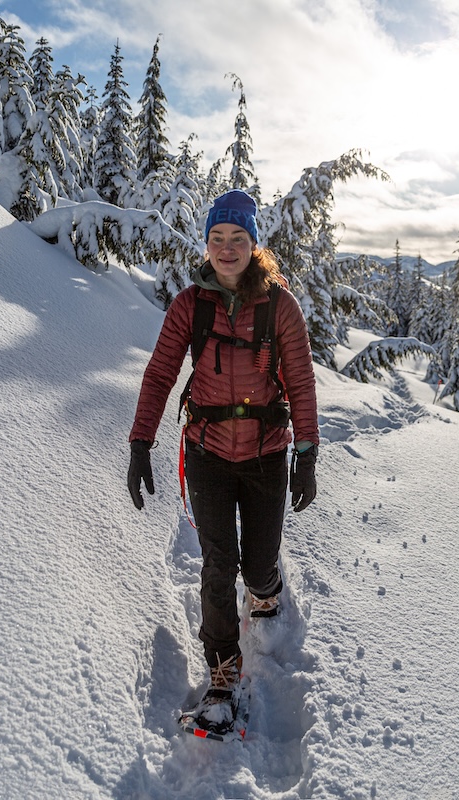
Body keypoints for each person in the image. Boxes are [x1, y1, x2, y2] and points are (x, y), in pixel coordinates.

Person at [126, 189, 319, 732]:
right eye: (217, 238)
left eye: (238, 238)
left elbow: (301, 383)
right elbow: (161, 373)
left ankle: (267, 589)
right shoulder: (191, 304)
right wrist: (141, 443)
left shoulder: (281, 306)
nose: (226, 248)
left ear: (254, 244)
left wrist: (307, 453)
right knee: (217, 563)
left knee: (256, 567)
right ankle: (223, 669)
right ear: (206, 243)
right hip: (207, 452)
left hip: (265, 453)